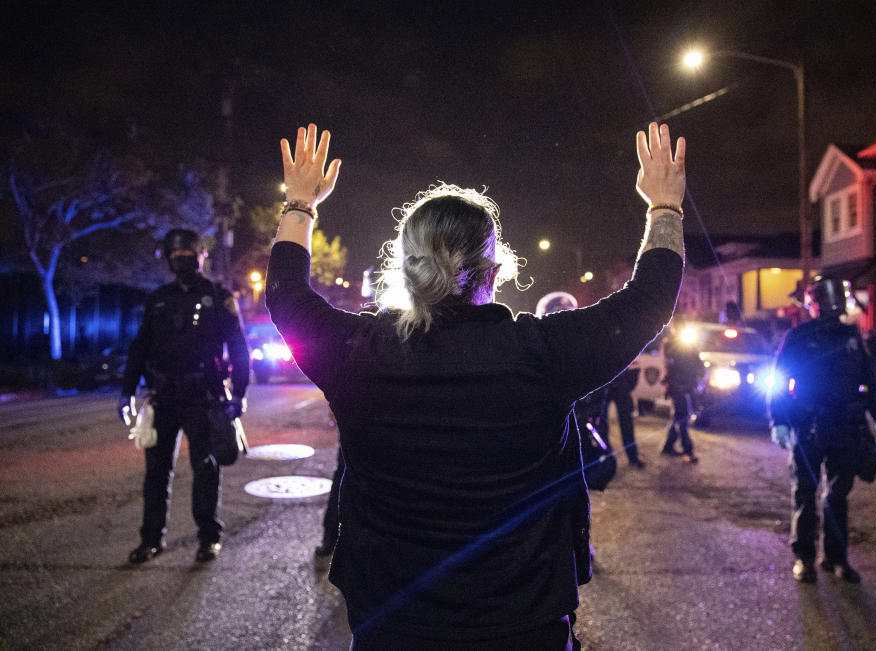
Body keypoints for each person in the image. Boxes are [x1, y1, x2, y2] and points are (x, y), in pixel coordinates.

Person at [265, 123, 685, 648]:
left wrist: (300, 205)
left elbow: (285, 297)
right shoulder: (541, 353)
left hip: (392, 621)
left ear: (406, 269)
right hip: (523, 621)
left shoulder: (361, 352)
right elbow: (648, 302)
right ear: (494, 267)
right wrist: (664, 208)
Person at [119, 229, 249, 564]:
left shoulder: (219, 298)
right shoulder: (158, 300)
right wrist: (127, 392)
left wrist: (240, 393)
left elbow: (239, 349)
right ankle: (151, 539)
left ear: (200, 256)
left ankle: (208, 538)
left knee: (206, 469)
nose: (182, 259)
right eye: (175, 254)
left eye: (188, 253)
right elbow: (139, 348)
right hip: (163, 399)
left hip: (203, 399)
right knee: (156, 473)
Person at [769, 276, 876, 584]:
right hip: (808, 425)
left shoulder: (851, 336)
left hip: (845, 425)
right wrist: (780, 420)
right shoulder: (799, 336)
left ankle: (836, 559)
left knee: (838, 495)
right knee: (805, 495)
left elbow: (869, 381)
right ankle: (805, 559)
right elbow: (780, 381)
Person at [660, 329, 703, 463]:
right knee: (683, 416)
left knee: (679, 416)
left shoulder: (689, 347)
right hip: (678, 387)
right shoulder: (671, 346)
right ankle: (688, 449)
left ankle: (668, 446)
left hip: (686, 386)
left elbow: (697, 364)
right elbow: (671, 367)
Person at [596, 368, 646, 468]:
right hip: (611, 383)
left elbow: (634, 366)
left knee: (624, 424)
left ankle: (630, 456)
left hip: (617, 383)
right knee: (602, 423)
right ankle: (604, 456)